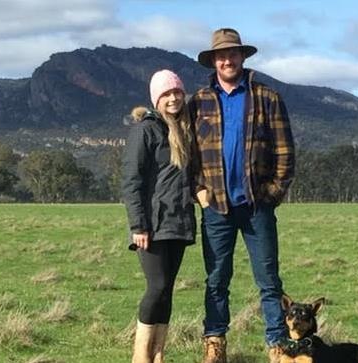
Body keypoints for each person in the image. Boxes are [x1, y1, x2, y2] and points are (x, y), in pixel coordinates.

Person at [189, 28, 295, 363]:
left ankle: (277, 345)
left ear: (243, 56)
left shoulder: (267, 97)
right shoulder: (199, 101)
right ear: (214, 60)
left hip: (256, 206)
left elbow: (285, 152)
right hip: (216, 207)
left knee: (268, 281)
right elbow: (187, 152)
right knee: (217, 279)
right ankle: (215, 342)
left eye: (233, 53)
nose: (227, 60)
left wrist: (273, 193)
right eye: (221, 55)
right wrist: (199, 191)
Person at [122, 69, 196, 363]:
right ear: (156, 99)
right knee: (157, 287)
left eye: (177, 92)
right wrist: (138, 225)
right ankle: (140, 356)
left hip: (179, 223)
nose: (173, 98)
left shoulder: (184, 129)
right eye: (166, 94)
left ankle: (158, 355)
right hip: (152, 224)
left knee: (167, 292)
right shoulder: (145, 130)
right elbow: (132, 180)